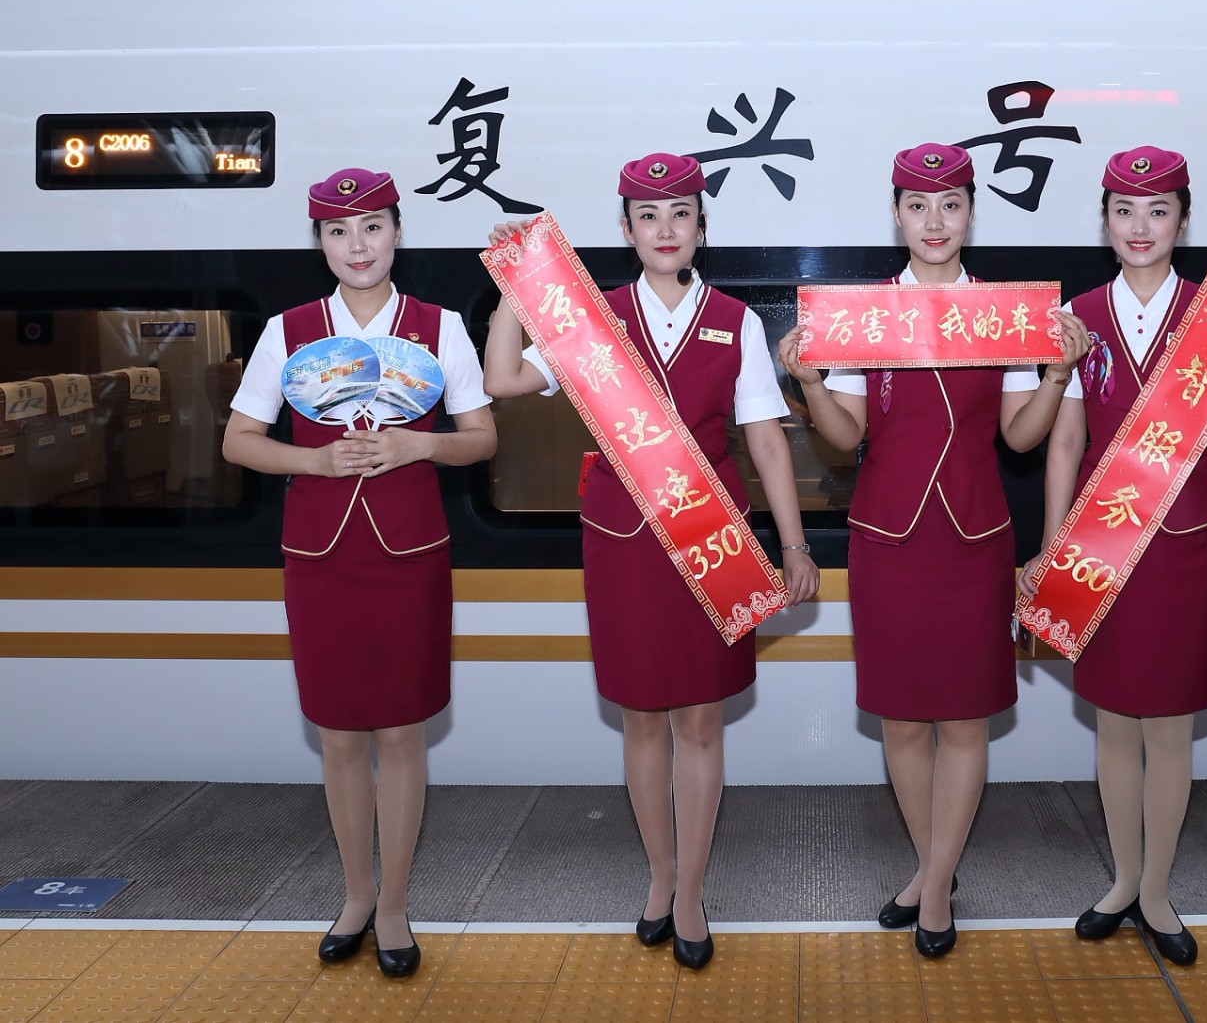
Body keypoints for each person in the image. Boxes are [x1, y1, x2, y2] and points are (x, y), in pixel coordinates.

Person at [483, 152, 819, 970]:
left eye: (680, 214)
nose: (665, 229)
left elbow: (766, 439)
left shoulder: (735, 320)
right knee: (640, 716)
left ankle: (693, 889)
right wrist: (515, 294)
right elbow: (502, 376)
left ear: (702, 227)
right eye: (648, 216)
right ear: (627, 230)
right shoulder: (594, 318)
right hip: (625, 541)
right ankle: (660, 878)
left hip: (712, 540)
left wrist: (794, 543)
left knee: (699, 719)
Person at [778, 143, 1088, 958]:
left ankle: (934, 885)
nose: (934, 221)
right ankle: (935, 872)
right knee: (903, 721)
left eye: (950, 204)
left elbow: (1021, 436)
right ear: (896, 215)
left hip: (975, 539)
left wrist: (1057, 376)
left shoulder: (1006, 313)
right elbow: (843, 437)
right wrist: (810, 383)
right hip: (888, 541)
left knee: (965, 719)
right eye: (917, 206)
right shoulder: (865, 316)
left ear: (971, 212)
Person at [1020, 146, 1207, 965]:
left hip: (1184, 547)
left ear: (1184, 221)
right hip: (1100, 547)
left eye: (1157, 211)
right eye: (1124, 211)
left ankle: (1156, 892)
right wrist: (1051, 544)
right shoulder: (1078, 315)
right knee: (1114, 723)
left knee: (1171, 727)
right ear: (1104, 221)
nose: (1140, 226)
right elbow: (1065, 441)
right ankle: (1122, 881)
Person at [222, 168, 497, 977]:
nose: (358, 245)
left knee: (402, 731)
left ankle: (397, 905)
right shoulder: (289, 331)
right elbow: (239, 441)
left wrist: (421, 444)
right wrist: (313, 461)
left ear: (397, 233)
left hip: (410, 554)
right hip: (321, 558)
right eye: (338, 231)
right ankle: (355, 894)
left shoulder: (440, 328)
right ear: (319, 243)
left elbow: (482, 437)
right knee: (339, 734)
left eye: (372, 226)